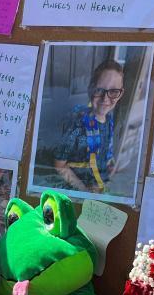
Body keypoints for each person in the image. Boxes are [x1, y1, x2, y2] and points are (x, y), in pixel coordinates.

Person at [53, 60, 125, 194]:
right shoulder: (76, 125)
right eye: (99, 90)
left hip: (100, 182)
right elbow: (60, 166)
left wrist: (110, 167)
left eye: (114, 91)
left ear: (120, 93)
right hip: (80, 188)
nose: (105, 99)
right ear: (90, 89)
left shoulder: (109, 119)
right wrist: (84, 191)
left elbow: (105, 151)